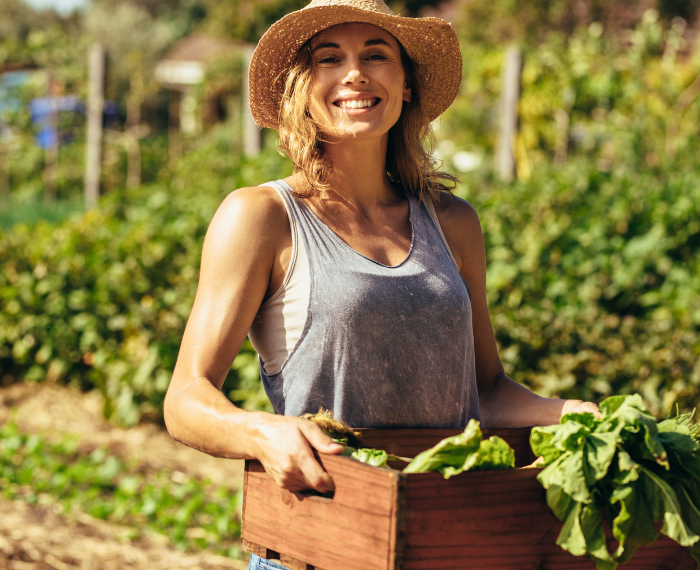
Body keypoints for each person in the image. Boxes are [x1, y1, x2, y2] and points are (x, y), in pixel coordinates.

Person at [164, 2, 599, 566]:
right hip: (319, 537)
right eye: (329, 58)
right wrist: (260, 432)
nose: (355, 73)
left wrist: (575, 413)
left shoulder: (453, 222)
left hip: (441, 541)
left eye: (376, 55)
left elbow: (485, 391)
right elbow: (186, 398)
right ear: (301, 87)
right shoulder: (260, 216)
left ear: (406, 85)